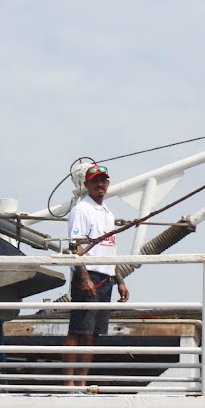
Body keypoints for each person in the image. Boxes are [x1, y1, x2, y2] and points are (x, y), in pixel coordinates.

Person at [63, 164, 128, 387]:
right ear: (87, 184)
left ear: (107, 184)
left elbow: (110, 249)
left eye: (103, 181)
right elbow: (75, 247)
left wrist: (120, 280)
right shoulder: (82, 210)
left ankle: (82, 381)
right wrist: (84, 278)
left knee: (93, 334)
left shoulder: (107, 213)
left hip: (106, 276)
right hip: (88, 274)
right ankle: (68, 382)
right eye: (95, 181)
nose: (100, 184)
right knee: (78, 330)